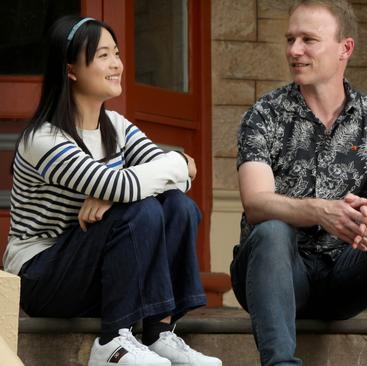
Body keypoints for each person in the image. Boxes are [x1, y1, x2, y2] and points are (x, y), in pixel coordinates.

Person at [3, 15, 222, 366]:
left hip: (95, 271)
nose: (117, 64)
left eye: (116, 53)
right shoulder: (44, 139)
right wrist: (132, 184)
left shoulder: (116, 126)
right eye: (103, 55)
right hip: (43, 277)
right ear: (71, 69)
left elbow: (181, 178)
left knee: (178, 206)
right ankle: (112, 343)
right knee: (142, 208)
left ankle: (157, 333)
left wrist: (114, 193)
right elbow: (165, 172)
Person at [230, 0, 367, 365]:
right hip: (278, 274)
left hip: (345, 275)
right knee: (273, 230)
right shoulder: (263, 115)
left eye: (309, 39)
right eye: (290, 39)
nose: (294, 50)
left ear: (345, 48)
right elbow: (255, 202)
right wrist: (319, 212)